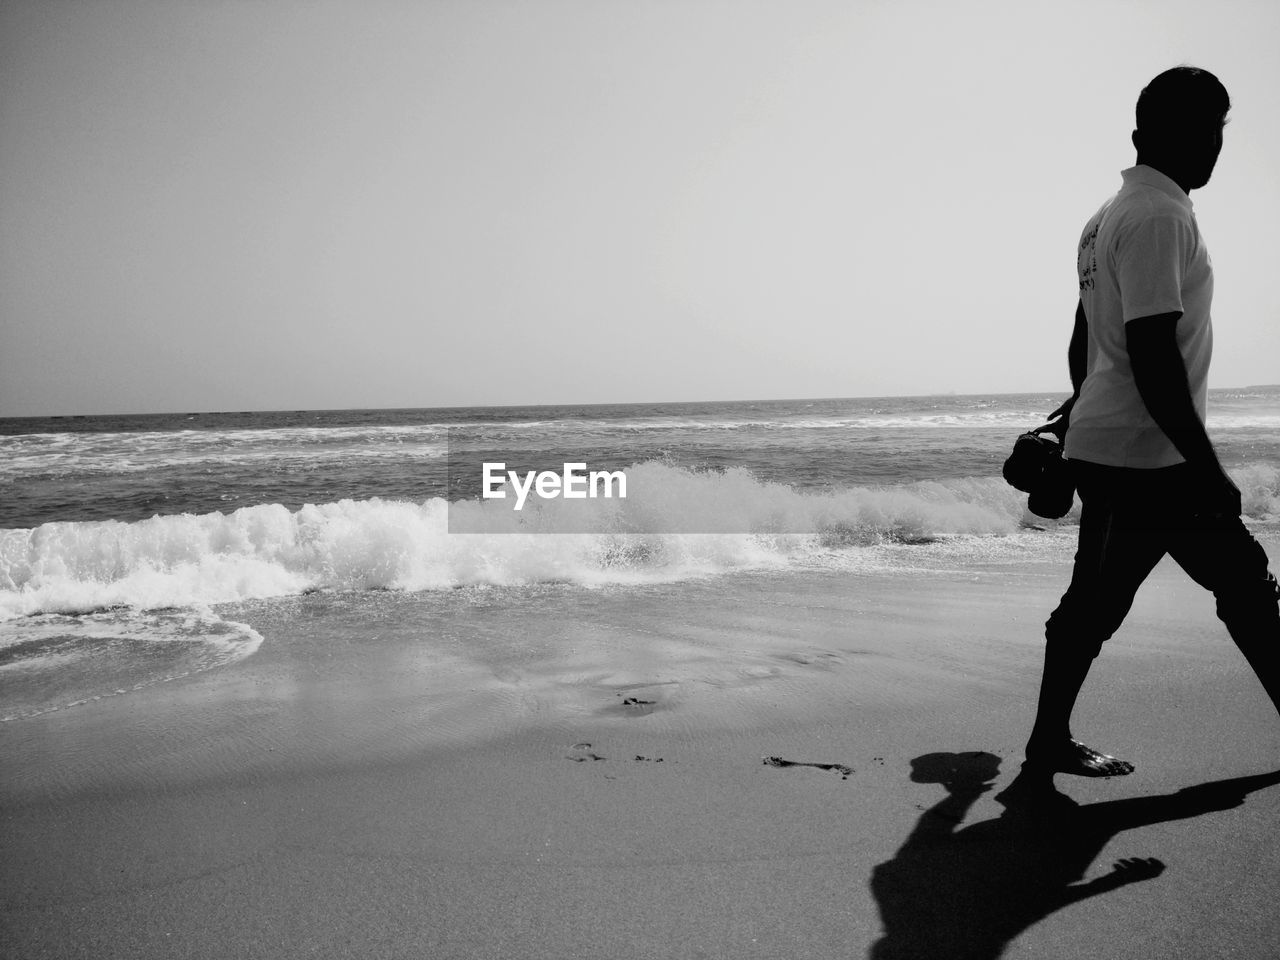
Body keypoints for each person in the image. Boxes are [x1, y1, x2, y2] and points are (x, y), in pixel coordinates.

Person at [1018, 65, 1280, 785]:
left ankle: (1047, 742)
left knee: (1093, 606)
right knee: (1248, 589)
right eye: (1205, 129)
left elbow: (1084, 337)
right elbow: (1153, 350)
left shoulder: (1106, 216)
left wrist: (1084, 411)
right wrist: (1207, 465)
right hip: (1150, 455)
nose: (1214, 144)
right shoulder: (1161, 216)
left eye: (1219, 129)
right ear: (1154, 136)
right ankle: (1046, 743)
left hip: (1114, 446)